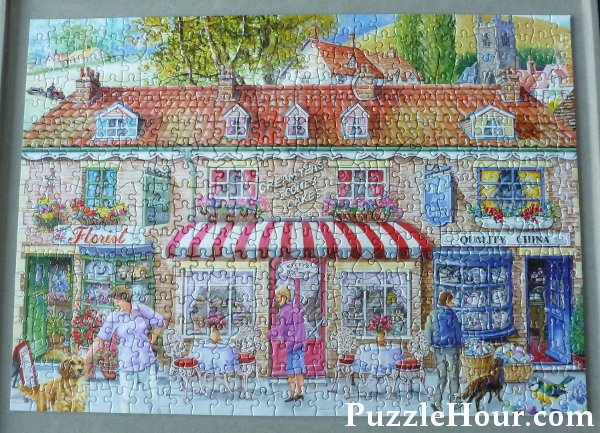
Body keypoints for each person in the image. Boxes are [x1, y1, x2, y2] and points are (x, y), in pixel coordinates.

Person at [85, 285, 164, 413]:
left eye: (118, 301)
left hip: (146, 362)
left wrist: (154, 336)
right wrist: (86, 358)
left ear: (126, 299)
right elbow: (100, 338)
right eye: (114, 302)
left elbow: (159, 321)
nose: (115, 304)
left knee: (153, 399)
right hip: (127, 365)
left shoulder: (142, 309)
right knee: (126, 400)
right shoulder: (114, 317)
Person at [266, 286, 307, 402]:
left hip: (293, 345)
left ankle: (292, 395)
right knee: (299, 370)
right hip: (300, 344)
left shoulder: (286, 311)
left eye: (278, 297)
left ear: (284, 297)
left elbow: (280, 329)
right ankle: (300, 393)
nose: (276, 300)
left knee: (290, 372)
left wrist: (268, 334)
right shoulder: (295, 309)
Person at [424, 290, 462, 412]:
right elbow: (458, 333)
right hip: (452, 349)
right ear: (446, 301)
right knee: (454, 377)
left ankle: (436, 401)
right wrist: (460, 345)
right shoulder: (452, 315)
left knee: (442, 377)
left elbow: (427, 332)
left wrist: (431, 344)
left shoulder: (432, 314)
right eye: (451, 301)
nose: (453, 303)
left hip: (438, 350)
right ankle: (454, 401)